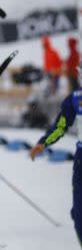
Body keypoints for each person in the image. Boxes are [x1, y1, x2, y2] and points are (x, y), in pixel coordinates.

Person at [30, 66, 82, 246]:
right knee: (78, 213)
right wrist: (43, 142)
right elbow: (61, 125)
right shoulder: (75, 98)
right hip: (81, 157)